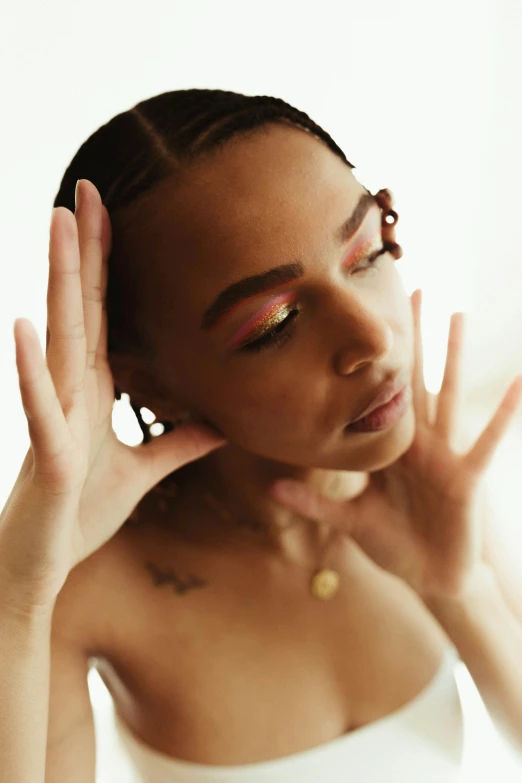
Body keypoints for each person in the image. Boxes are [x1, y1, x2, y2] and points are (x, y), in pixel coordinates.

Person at [2, 89, 522, 783]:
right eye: (275, 323)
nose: (373, 337)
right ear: (149, 385)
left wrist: (462, 591)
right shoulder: (92, 585)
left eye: (370, 252)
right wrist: (17, 591)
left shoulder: (429, 475)